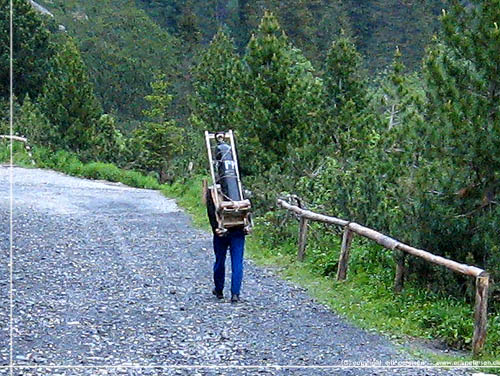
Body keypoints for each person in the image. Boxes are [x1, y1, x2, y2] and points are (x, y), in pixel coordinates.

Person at [206, 191, 246, 303]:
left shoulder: (213, 190)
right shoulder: (238, 188)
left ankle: (219, 290)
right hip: (238, 230)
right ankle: (235, 294)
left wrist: (215, 228)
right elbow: (247, 209)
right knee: (237, 262)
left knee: (220, 260)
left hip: (221, 231)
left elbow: (211, 211)